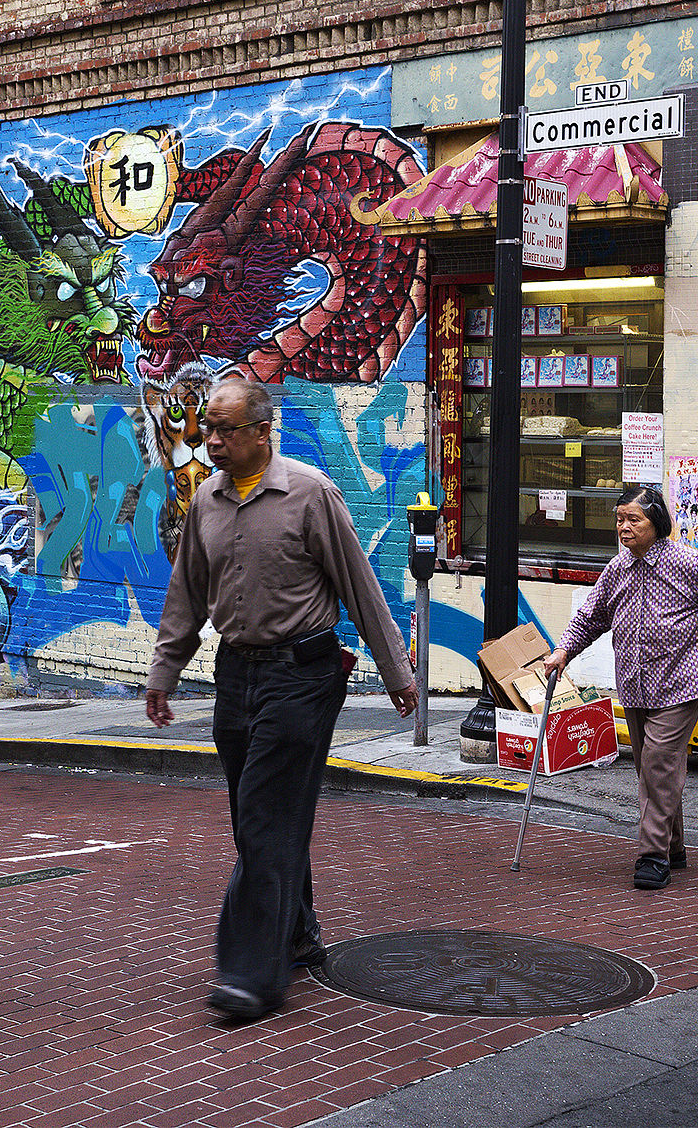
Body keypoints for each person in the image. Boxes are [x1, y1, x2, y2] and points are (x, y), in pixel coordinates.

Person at [145, 375, 418, 1022]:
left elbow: (359, 583)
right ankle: (296, 933)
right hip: (237, 676)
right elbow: (186, 594)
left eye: (224, 430)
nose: (210, 441)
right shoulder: (206, 502)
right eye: (206, 428)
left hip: (303, 675)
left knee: (266, 819)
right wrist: (163, 672)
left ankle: (250, 974)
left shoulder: (310, 493)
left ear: (264, 431)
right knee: (257, 819)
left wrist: (397, 671)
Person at [544, 485, 698, 891]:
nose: (624, 527)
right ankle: (674, 847)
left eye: (633, 519)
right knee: (652, 767)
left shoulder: (687, 562)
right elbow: (592, 615)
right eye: (619, 519)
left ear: (657, 523)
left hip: (682, 680)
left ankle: (652, 856)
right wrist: (564, 649)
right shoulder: (619, 568)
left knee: (657, 762)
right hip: (636, 682)